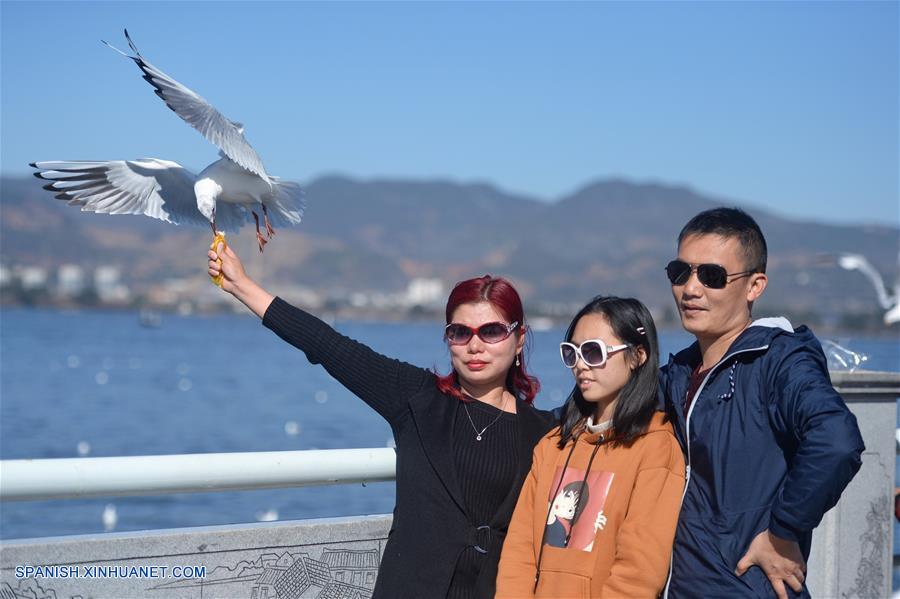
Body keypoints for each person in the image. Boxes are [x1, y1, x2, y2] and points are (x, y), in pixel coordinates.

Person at [208, 243, 555, 599]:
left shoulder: (546, 433)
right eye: (460, 332)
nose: (474, 345)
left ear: (519, 340)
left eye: (492, 331)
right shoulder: (417, 398)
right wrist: (240, 284)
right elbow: (328, 346)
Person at [659, 207, 865, 599]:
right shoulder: (680, 373)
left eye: (713, 276)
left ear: (754, 286)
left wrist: (783, 532)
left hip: (745, 588)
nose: (691, 288)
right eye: (680, 272)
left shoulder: (778, 360)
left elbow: (837, 441)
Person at [496, 296, 685, 598]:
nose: (581, 365)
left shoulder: (655, 449)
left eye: (594, 352)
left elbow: (639, 571)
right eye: (572, 353)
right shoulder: (552, 446)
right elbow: (519, 551)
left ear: (638, 355)